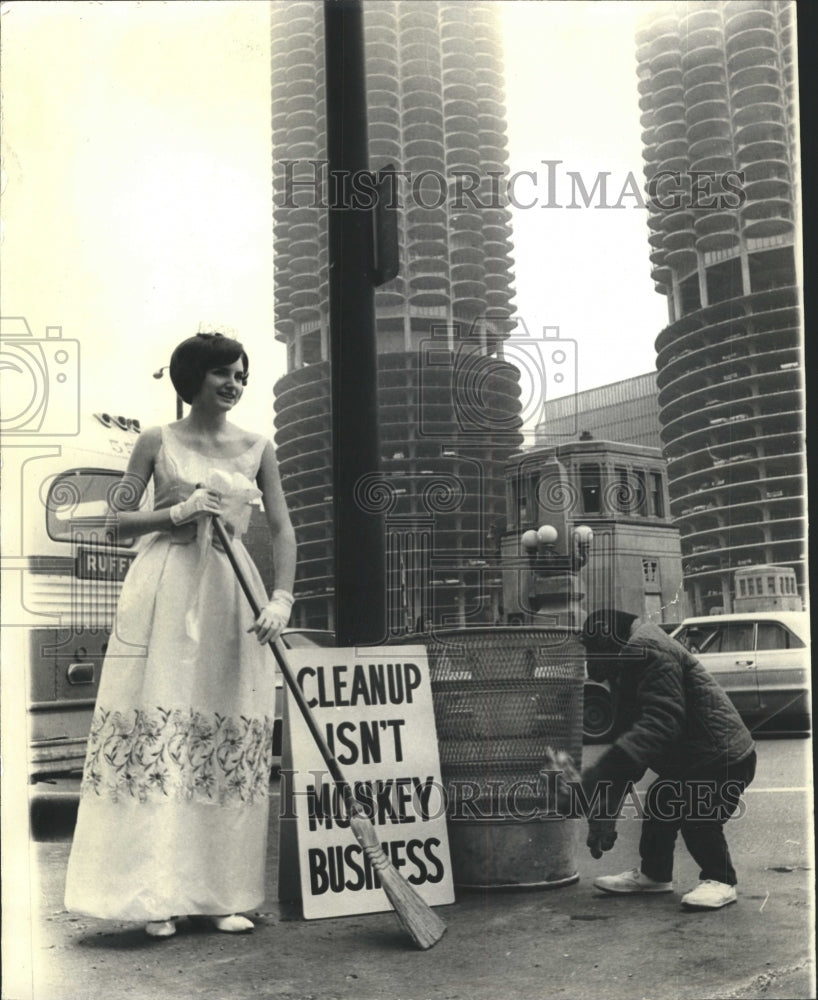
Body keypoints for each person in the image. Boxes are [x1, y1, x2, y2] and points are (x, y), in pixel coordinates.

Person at [65, 331, 297, 938]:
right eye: (223, 373)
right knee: (161, 727)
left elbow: (281, 527)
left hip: (230, 591)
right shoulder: (154, 441)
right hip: (165, 587)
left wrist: (281, 598)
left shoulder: (258, 446)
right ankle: (154, 895)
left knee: (222, 732)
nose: (234, 384)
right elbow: (116, 521)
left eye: (241, 375)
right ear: (191, 377)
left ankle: (218, 895)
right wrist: (177, 512)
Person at [575, 609, 756, 911]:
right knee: (662, 799)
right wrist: (605, 811)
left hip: (722, 757)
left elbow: (661, 722)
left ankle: (721, 880)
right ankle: (655, 876)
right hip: (697, 759)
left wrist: (599, 772)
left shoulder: (647, 649)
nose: (591, 664)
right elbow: (629, 744)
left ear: (607, 636)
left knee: (697, 810)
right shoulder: (630, 656)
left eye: (591, 649)